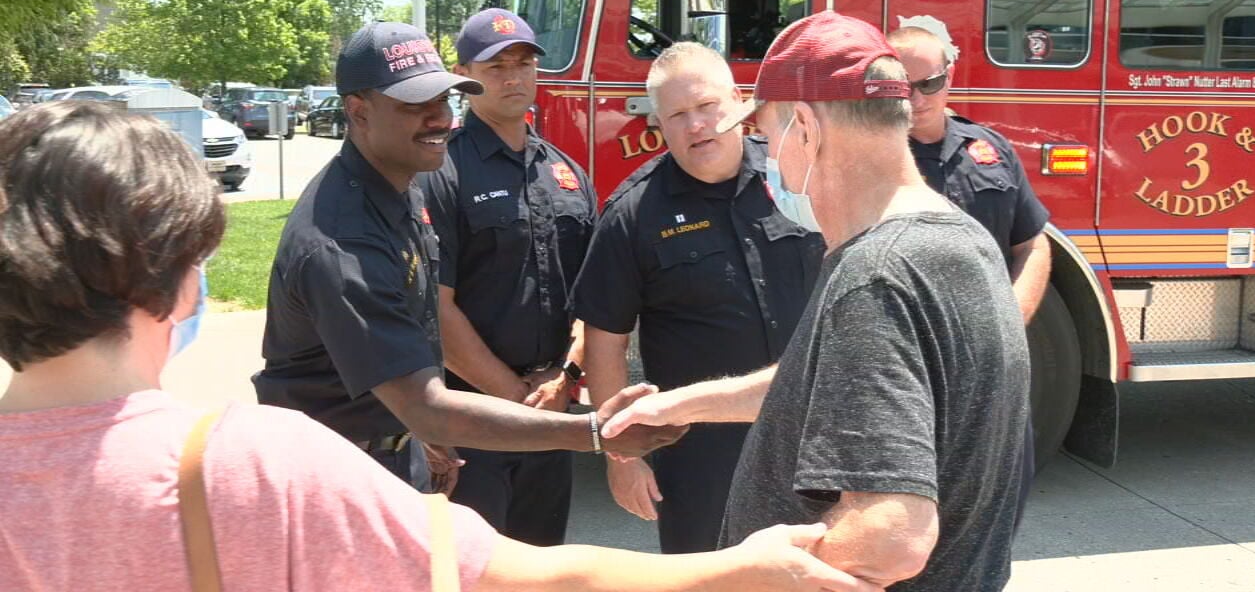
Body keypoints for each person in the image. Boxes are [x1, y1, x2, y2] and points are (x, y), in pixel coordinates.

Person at [0, 100, 879, 592]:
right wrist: (738, 566)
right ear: (180, 279)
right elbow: (521, 575)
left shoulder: (512, 176)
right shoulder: (251, 468)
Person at [602, 12, 1031, 591]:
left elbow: (892, 536)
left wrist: (737, 575)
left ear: (806, 127)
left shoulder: (876, 278)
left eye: (768, 135)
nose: (765, 155)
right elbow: (841, 380)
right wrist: (680, 406)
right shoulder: (958, 238)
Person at [253, 21, 683, 492]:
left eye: (442, 100)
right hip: (335, 476)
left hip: (397, 454)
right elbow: (427, 405)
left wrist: (563, 377)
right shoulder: (341, 241)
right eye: (416, 105)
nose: (438, 118)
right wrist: (596, 434)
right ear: (358, 111)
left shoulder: (398, 192)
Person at [571, 42, 826, 553]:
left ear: (736, 101)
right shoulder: (633, 214)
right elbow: (605, 343)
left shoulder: (798, 177)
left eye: (707, 107)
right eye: (678, 115)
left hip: (814, 435)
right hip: (702, 456)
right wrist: (621, 457)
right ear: (659, 126)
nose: (696, 126)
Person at [418, 9, 595, 545]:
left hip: (550, 406)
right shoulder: (441, 171)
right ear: (464, 75)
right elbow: (436, 308)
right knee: (474, 569)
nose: (513, 77)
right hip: (474, 419)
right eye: (496, 67)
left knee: (543, 567)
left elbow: (595, 299)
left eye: (523, 62)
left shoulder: (567, 173)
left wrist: (565, 377)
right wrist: (515, 394)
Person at [887, 23, 1049, 512]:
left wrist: (1009, 320)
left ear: (949, 78)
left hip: (988, 368)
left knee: (996, 501)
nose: (915, 98)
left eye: (928, 84)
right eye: (900, 86)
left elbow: (1033, 244)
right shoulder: (867, 160)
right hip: (904, 367)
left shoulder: (991, 151)